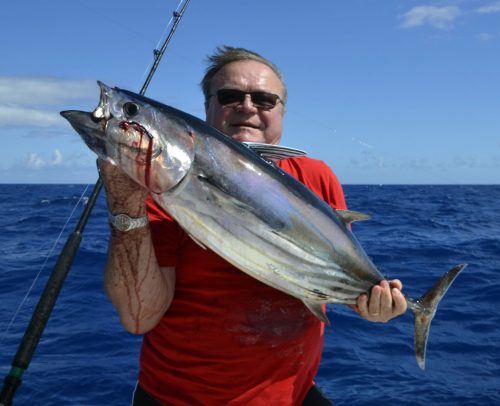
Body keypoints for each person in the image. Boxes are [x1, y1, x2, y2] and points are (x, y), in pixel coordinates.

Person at [98, 46, 407, 406]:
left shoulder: (318, 177)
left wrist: (373, 303)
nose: (247, 107)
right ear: (207, 108)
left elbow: (323, 276)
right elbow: (139, 317)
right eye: (230, 96)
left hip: (293, 396)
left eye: (264, 99)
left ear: (282, 112)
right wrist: (125, 201)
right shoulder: (158, 187)